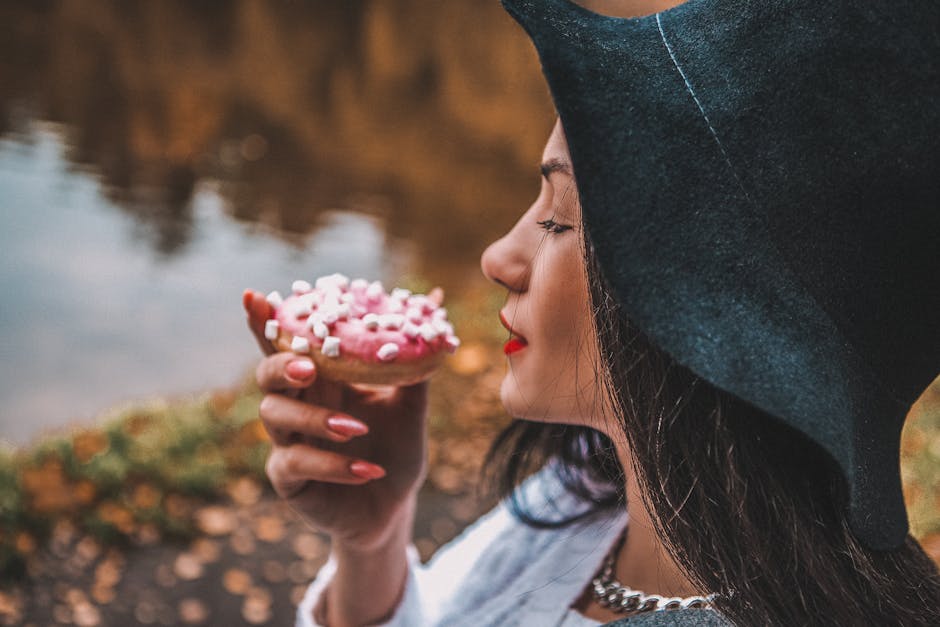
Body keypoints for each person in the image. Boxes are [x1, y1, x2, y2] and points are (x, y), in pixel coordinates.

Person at [242, 0, 940, 624]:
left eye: (558, 219)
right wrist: (375, 541)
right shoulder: (583, 498)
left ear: (701, 299)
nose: (497, 258)